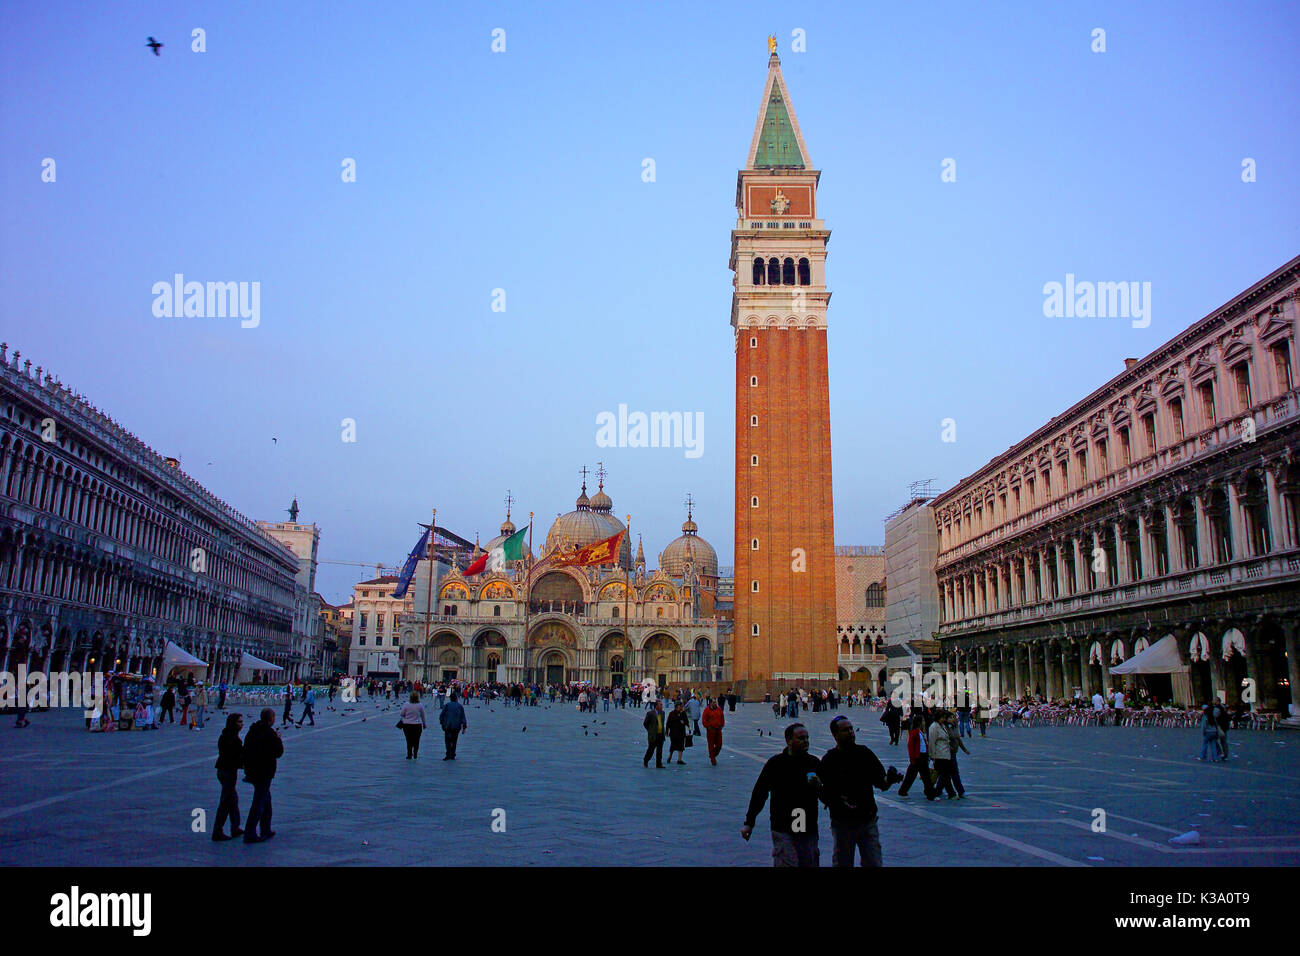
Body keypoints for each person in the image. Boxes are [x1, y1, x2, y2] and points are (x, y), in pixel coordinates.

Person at [818, 716, 904, 866]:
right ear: (835, 735)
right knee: (843, 862)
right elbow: (823, 792)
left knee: (873, 861)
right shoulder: (829, 759)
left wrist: (890, 779)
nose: (851, 732)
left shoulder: (864, 753)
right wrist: (838, 801)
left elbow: (880, 783)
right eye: (845, 730)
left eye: (851, 728)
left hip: (867, 819)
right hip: (843, 822)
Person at [741, 724, 824, 867]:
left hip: (807, 826)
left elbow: (826, 796)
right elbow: (760, 793)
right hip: (783, 826)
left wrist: (820, 786)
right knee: (787, 862)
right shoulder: (776, 763)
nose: (806, 741)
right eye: (801, 738)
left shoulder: (813, 763)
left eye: (807, 738)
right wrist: (749, 822)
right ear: (788, 741)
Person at [242, 708, 284, 843]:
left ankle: (265, 828)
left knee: (266, 800)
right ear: (270, 719)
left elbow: (246, 749)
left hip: (252, 770)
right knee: (259, 802)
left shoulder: (252, 731)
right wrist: (278, 739)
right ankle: (250, 832)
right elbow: (278, 752)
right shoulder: (269, 733)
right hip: (264, 771)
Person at [212, 713, 245, 841]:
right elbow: (235, 757)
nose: (242, 724)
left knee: (233, 800)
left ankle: (235, 827)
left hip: (222, 770)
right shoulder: (234, 739)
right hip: (228, 771)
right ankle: (217, 831)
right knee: (226, 802)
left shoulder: (224, 736)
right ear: (233, 723)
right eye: (239, 722)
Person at [897, 714, 935, 800]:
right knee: (915, 776)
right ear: (919, 722)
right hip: (918, 757)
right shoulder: (914, 732)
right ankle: (929, 793)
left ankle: (929, 793)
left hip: (923, 756)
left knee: (924, 776)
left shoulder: (921, 732)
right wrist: (912, 758)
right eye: (923, 721)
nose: (924, 723)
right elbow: (910, 746)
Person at [928, 711, 957, 799]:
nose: (944, 719)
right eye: (942, 717)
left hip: (945, 753)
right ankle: (950, 793)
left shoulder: (942, 726)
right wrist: (932, 755)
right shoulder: (934, 727)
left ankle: (933, 790)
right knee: (944, 775)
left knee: (943, 775)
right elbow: (932, 742)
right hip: (939, 754)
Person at [943, 711, 970, 798]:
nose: (953, 719)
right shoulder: (944, 728)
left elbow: (958, 739)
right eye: (951, 718)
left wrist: (964, 750)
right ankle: (960, 791)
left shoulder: (954, 726)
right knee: (954, 772)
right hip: (947, 753)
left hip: (954, 752)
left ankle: (937, 790)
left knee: (945, 773)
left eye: (953, 717)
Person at [439, 690, 468, 759]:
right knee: (454, 740)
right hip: (456, 726)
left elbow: (441, 716)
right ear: (456, 698)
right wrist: (464, 727)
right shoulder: (460, 706)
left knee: (447, 740)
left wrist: (442, 723)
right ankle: (453, 754)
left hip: (448, 725)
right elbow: (463, 717)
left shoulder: (447, 705)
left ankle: (448, 754)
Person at [399, 691, 427, 759]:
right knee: (417, 740)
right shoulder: (420, 705)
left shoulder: (406, 704)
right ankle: (415, 754)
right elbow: (423, 715)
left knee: (409, 740)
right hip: (417, 725)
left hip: (407, 725)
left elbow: (402, 714)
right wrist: (424, 724)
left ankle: (409, 754)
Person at [702, 696, 726, 765]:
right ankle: (713, 759)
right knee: (711, 745)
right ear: (710, 703)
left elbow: (722, 717)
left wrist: (722, 725)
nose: (715, 703)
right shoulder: (707, 710)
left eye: (715, 702)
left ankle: (712, 755)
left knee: (719, 745)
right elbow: (704, 720)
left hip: (718, 730)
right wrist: (707, 726)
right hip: (711, 730)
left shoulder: (719, 709)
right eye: (713, 702)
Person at [643, 701, 667, 768]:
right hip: (653, 735)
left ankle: (659, 764)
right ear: (656, 706)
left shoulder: (663, 713)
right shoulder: (650, 713)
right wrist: (650, 730)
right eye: (660, 705)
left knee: (659, 751)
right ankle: (646, 760)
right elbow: (645, 723)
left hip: (660, 734)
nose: (662, 706)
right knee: (651, 749)